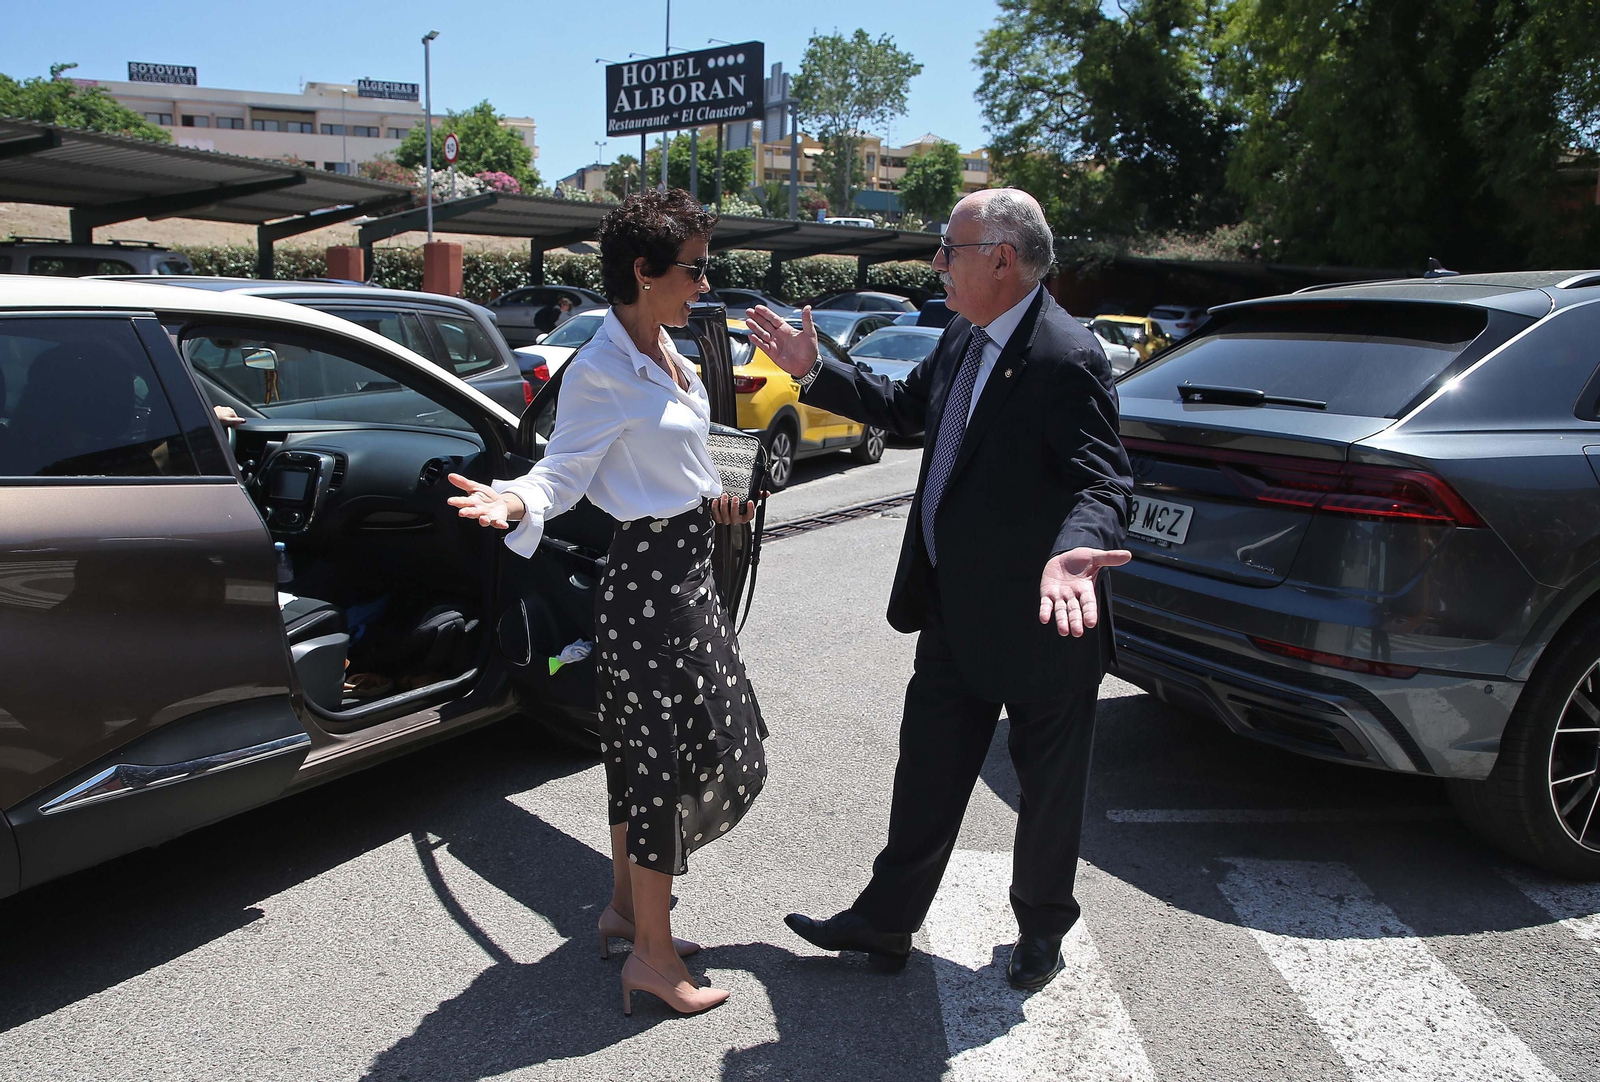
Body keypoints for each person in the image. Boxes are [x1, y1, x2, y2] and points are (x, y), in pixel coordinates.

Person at [744, 187, 1132, 992]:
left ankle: (1041, 930)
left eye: (948, 249)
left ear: (1001, 258)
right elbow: (905, 410)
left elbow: (1104, 480)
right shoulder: (963, 335)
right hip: (953, 612)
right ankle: (886, 923)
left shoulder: (1067, 355)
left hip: (1041, 620)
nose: (936, 263)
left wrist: (1076, 550)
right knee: (925, 774)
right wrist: (814, 369)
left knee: (1049, 793)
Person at [446, 188, 767, 1017]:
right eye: (694, 268)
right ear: (642, 269)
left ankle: (626, 913)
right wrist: (512, 503)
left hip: (688, 569)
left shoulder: (668, 348)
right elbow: (562, 471)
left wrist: (723, 491)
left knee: (651, 753)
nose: (705, 283)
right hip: (653, 588)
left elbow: (684, 456)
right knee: (662, 763)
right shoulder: (599, 369)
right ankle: (654, 961)